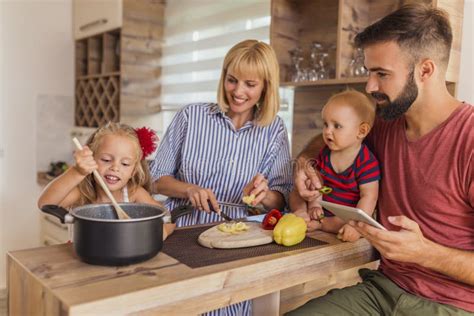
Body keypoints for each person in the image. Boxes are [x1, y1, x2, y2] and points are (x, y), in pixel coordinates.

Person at [289, 4, 474, 315]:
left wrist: (425, 253)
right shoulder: (383, 124)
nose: (370, 86)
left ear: (425, 70)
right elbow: (331, 142)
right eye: (369, 72)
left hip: (453, 306)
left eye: (382, 74)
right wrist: (306, 164)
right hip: (383, 290)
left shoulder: (468, 139)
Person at [150, 39, 293, 315]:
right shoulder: (191, 117)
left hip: (238, 244)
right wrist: (188, 189)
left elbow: (281, 198)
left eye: (250, 84)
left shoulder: (273, 130)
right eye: (232, 80)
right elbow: (156, 179)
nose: (238, 92)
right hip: (181, 237)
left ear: (265, 87)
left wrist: (264, 195)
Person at [37, 122, 176, 240]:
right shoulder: (82, 193)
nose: (115, 167)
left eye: (125, 164)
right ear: (92, 159)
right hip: (82, 259)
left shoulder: (134, 193)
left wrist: (160, 234)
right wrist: (77, 172)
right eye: (106, 160)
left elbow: (169, 219)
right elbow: (45, 203)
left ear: (133, 171)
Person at [290, 90, 380, 242]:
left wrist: (357, 226)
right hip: (324, 208)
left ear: (361, 131)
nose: (327, 131)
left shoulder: (366, 162)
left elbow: (369, 197)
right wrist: (314, 205)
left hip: (345, 216)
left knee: (345, 222)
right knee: (296, 192)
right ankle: (302, 213)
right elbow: (318, 185)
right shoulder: (325, 153)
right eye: (326, 124)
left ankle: (320, 224)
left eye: (337, 126)